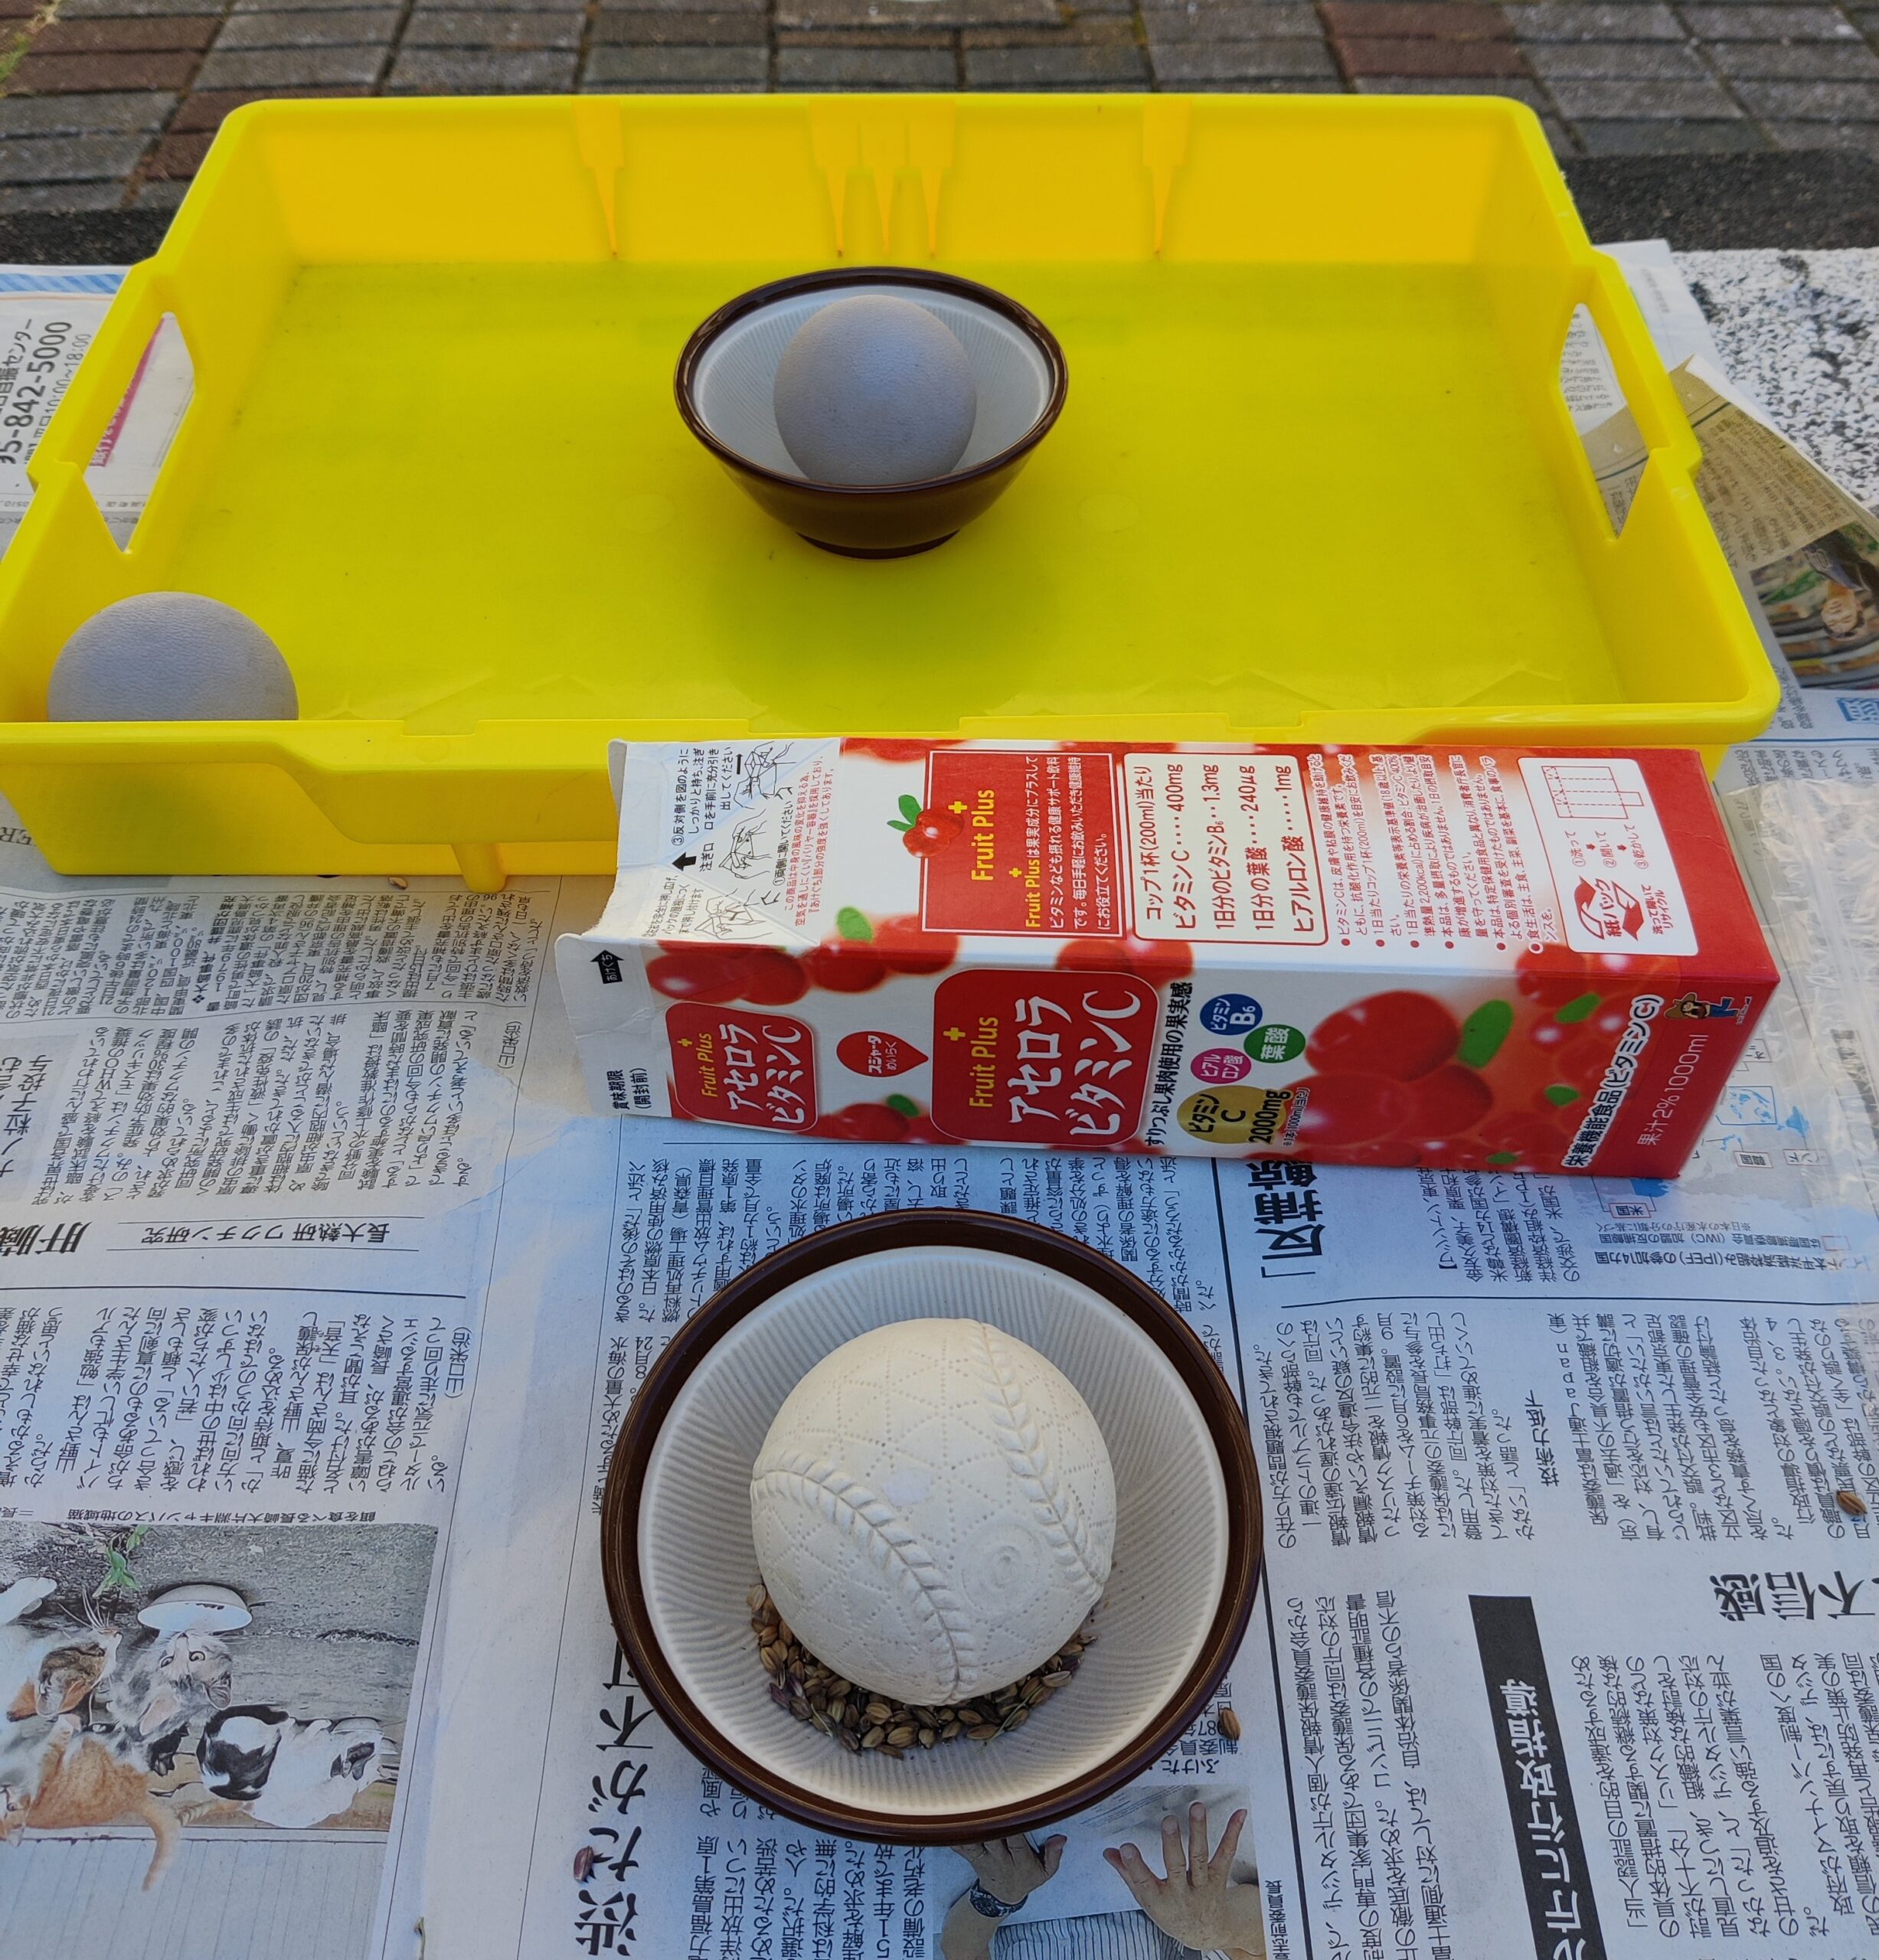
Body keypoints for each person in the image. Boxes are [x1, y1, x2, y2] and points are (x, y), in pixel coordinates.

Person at [940, 1802, 1265, 1960]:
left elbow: (960, 1951)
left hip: (1016, 1855)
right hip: (1147, 1825)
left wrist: (997, 1896)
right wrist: (1216, 1928)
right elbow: (1269, 1939)